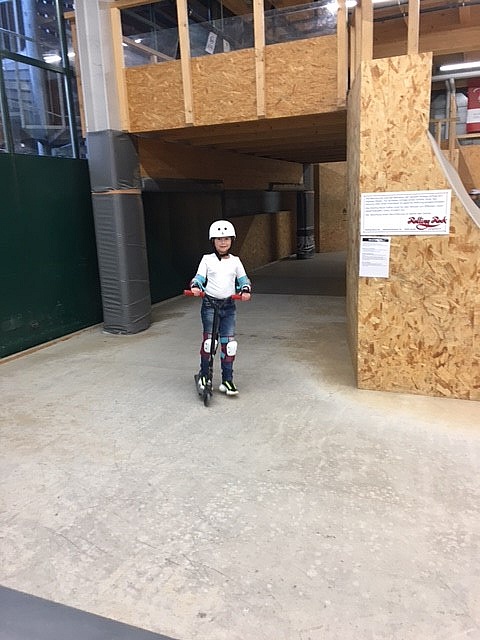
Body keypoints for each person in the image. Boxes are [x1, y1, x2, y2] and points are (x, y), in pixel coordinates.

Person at [190, 220, 251, 396]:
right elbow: (199, 278)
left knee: (229, 345)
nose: (223, 242)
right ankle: (204, 376)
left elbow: (243, 280)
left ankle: (227, 380)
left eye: (226, 239)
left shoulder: (235, 261)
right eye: (219, 239)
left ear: (232, 240)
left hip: (228, 306)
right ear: (213, 241)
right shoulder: (207, 259)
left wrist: (245, 290)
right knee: (210, 343)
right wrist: (196, 286)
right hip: (210, 305)